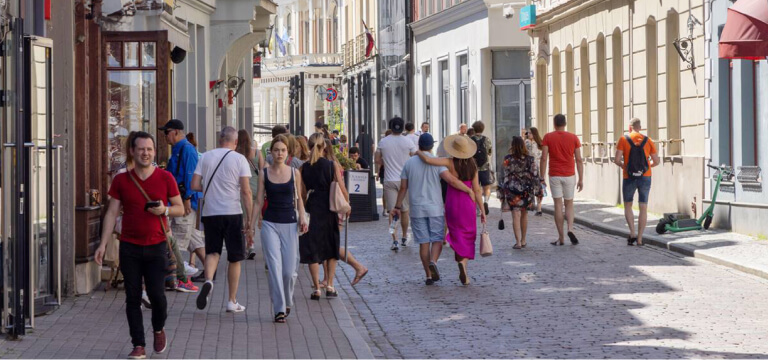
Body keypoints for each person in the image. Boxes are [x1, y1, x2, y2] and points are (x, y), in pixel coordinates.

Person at [95, 132, 184, 359]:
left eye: (149, 149)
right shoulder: (121, 180)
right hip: (130, 246)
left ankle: (158, 328)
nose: (145, 153)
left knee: (157, 296)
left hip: (156, 246)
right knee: (132, 297)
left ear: (154, 152)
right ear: (132, 152)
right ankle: (138, 344)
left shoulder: (165, 178)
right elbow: (112, 212)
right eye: (141, 149)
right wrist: (102, 244)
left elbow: (180, 208)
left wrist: (164, 210)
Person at [392, 133, 474, 285]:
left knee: (424, 242)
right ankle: (434, 262)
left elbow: (403, 187)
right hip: (435, 207)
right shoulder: (437, 163)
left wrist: (397, 206)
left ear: (419, 145)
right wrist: (468, 190)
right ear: (431, 146)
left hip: (416, 208)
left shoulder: (409, 163)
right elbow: (451, 180)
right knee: (437, 239)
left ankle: (429, 275)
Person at [191, 126, 253, 313]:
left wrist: (212, 189)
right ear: (235, 142)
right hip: (232, 212)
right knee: (235, 258)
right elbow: (246, 191)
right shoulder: (239, 159)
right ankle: (232, 301)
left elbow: (194, 184)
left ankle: (209, 280)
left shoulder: (206, 157)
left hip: (210, 212)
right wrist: (250, 219)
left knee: (212, 252)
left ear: (220, 140)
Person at [251, 135, 307, 323]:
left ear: (287, 152)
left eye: (283, 150)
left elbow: (298, 198)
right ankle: (279, 308)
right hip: (269, 223)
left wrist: (303, 217)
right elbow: (259, 200)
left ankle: (287, 300)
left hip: (290, 223)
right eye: (276, 150)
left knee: (289, 271)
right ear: (271, 153)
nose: (280, 153)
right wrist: (251, 225)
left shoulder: (294, 173)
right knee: (274, 267)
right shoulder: (264, 173)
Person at [416, 135, 485, 285]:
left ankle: (460, 262)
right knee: (468, 234)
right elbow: (477, 190)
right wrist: (482, 210)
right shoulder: (473, 165)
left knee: (456, 232)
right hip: (468, 202)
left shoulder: (449, 162)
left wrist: (417, 152)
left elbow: (428, 160)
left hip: (453, 202)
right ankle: (463, 265)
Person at [299, 133, 351, 300]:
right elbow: (341, 187)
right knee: (330, 246)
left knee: (312, 248)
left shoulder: (303, 167)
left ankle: (316, 288)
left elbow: (301, 192)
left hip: (312, 208)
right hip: (329, 208)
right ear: (324, 147)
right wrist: (347, 205)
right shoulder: (330, 164)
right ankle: (329, 285)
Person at [160, 119, 204, 290]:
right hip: (181, 201)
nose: (165, 136)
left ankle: (177, 278)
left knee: (176, 241)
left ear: (176, 132)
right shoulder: (180, 149)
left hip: (184, 203)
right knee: (194, 240)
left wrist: (185, 199)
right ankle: (209, 270)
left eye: (166, 132)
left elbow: (189, 177)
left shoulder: (186, 149)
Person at [615, 118, 660, 246]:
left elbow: (617, 159)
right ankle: (640, 239)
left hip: (628, 177)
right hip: (645, 176)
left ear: (630, 128)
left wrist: (625, 167)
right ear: (640, 127)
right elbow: (656, 161)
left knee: (628, 205)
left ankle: (632, 233)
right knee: (643, 207)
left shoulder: (623, 139)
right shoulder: (648, 140)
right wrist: (647, 166)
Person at [540, 114, 584, 246]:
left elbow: (543, 158)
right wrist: (581, 178)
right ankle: (570, 228)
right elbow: (579, 159)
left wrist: (542, 177)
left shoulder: (548, 137)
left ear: (554, 124)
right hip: (569, 174)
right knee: (569, 204)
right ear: (565, 123)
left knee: (558, 205)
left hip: (555, 174)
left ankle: (561, 238)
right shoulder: (573, 137)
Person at [376, 117, 418, 251]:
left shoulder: (383, 141)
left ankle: (394, 240)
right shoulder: (408, 141)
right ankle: (405, 237)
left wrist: (386, 163)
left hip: (389, 180)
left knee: (392, 212)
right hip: (405, 180)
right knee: (405, 210)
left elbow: (377, 159)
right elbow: (415, 157)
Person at [500, 136, 541, 249]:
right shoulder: (530, 159)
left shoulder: (508, 158)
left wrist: (502, 192)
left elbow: (503, 175)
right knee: (524, 214)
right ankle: (523, 240)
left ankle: (517, 242)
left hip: (512, 190)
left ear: (512, 146)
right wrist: (538, 190)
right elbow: (535, 175)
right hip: (526, 191)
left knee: (515, 215)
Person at [236, 130, 264, 261]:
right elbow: (263, 172)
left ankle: (246, 246)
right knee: (252, 219)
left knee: (244, 220)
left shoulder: (235, 154)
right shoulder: (257, 153)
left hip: (242, 190)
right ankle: (251, 244)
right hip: (256, 190)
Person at [470, 121, 493, 215]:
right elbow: (490, 152)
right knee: (486, 187)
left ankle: (477, 208)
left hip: (473, 168)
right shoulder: (486, 139)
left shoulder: (470, 140)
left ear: (474, 129)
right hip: (484, 167)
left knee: (475, 188)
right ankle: (486, 202)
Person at [524, 127, 545, 216]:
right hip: (530, 168)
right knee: (531, 187)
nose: (528, 135)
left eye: (530, 133)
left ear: (534, 134)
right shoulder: (527, 142)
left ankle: (538, 208)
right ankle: (532, 206)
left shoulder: (538, 143)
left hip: (535, 168)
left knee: (538, 188)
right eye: (527, 133)